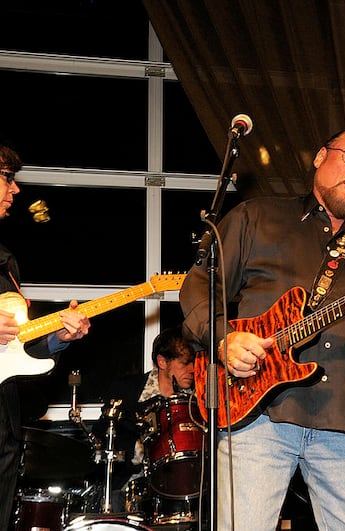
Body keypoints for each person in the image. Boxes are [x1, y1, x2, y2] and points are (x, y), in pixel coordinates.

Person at [179, 129, 345, 530]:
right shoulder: (257, 217)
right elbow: (200, 286)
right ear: (320, 156)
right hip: (257, 414)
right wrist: (225, 340)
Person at [0, 144, 91, 529]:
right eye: (7, 177)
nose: (16, 189)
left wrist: (59, 338)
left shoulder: (6, 260)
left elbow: (15, 344)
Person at [91, 325, 197, 513]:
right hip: (131, 488)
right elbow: (101, 435)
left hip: (189, 487)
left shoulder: (199, 398)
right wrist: (136, 448)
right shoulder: (127, 391)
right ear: (162, 361)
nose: (193, 369)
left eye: (194, 363)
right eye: (185, 363)